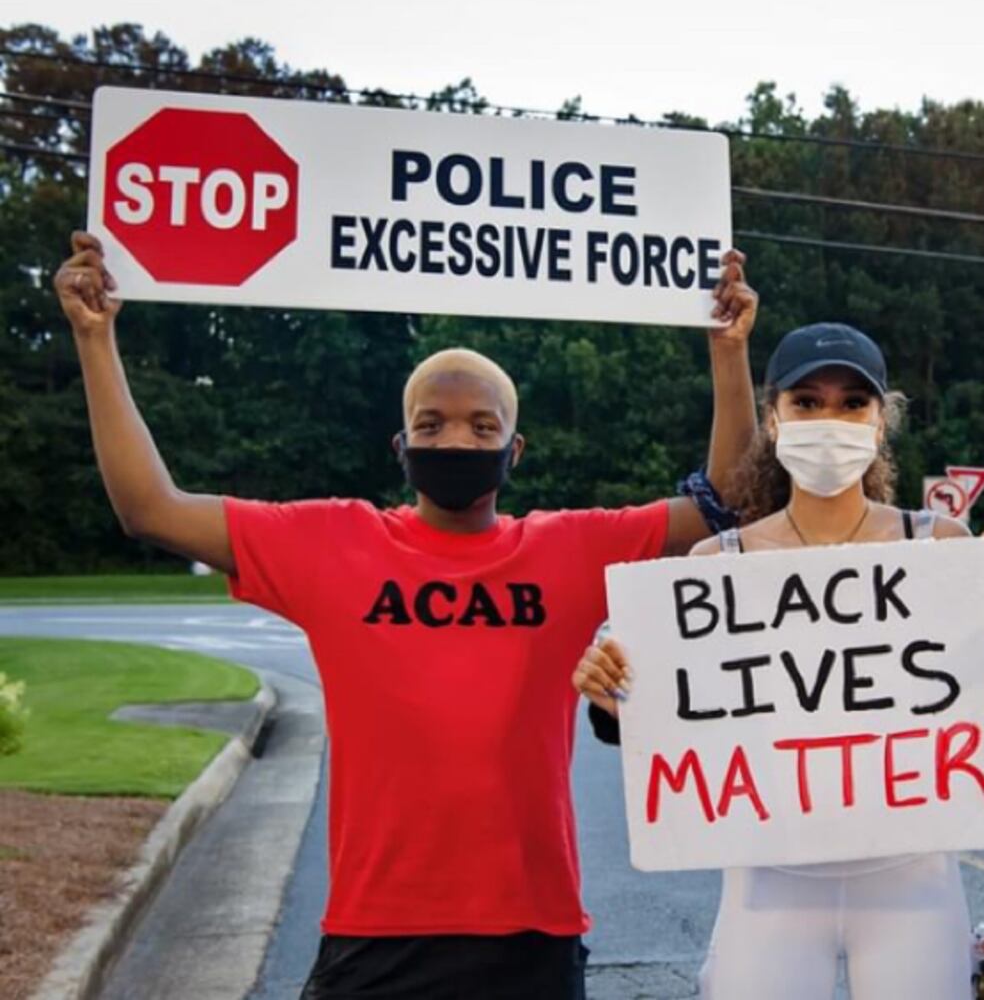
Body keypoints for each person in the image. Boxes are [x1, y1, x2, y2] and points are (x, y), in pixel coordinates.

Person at [53, 230, 759, 999]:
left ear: (514, 450)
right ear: (401, 443)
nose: (455, 437)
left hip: (532, 931)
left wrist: (727, 353)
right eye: (432, 424)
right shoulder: (330, 540)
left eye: (481, 426)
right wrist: (96, 338)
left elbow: (726, 499)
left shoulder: (568, 547)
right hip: (375, 934)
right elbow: (150, 507)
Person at [574, 322, 984, 999]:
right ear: (772, 418)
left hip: (912, 873)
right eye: (806, 402)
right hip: (768, 878)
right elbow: (676, 714)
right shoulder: (717, 566)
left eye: (851, 403)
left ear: (881, 420)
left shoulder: (942, 548)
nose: (828, 419)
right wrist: (616, 691)